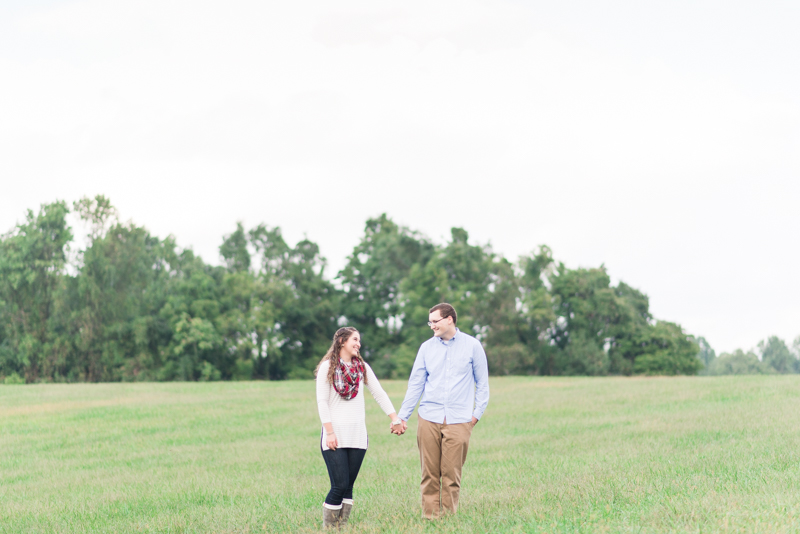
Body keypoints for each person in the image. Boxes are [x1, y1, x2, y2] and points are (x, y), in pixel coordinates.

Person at [396, 303, 490, 519]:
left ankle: (448, 519)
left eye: (435, 321)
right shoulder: (426, 348)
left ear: (449, 319)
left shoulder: (473, 346)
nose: (432, 326)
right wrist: (403, 416)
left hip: (460, 419)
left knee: (451, 474)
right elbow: (416, 384)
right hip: (429, 416)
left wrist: (474, 416)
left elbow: (482, 384)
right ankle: (430, 518)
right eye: (430, 322)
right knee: (429, 473)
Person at [315, 327, 405, 529]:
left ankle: (341, 528)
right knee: (338, 485)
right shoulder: (327, 367)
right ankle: (329, 529)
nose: (359, 344)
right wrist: (329, 432)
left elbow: (378, 393)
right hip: (334, 435)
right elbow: (322, 402)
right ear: (342, 341)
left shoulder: (361, 367)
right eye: (355, 339)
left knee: (348, 487)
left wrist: (395, 418)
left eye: (359, 340)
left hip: (357, 435)